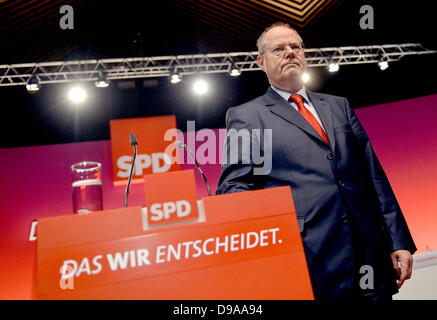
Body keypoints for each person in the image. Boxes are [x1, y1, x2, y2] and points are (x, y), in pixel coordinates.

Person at [216, 22, 416, 300]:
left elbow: (374, 175)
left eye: (295, 46)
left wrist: (399, 241)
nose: (289, 53)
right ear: (261, 62)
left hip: (369, 254)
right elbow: (234, 189)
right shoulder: (246, 116)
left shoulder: (339, 105)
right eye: (278, 49)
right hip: (311, 260)